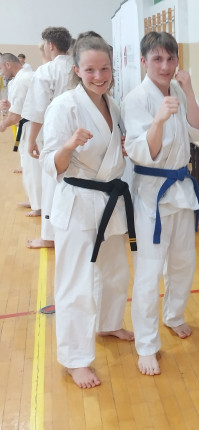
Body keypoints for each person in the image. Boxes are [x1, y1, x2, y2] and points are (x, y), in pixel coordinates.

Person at [40, 32, 135, 389]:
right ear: (77, 70)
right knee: (76, 283)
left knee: (114, 272)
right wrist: (68, 145)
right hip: (78, 201)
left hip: (109, 200)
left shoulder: (114, 104)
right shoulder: (64, 106)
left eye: (105, 69)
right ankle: (76, 359)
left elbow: (116, 150)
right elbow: (50, 163)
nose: (99, 76)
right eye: (91, 69)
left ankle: (108, 323)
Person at [122, 31, 199, 376]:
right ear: (144, 61)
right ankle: (146, 344)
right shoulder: (136, 99)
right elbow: (143, 151)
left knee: (184, 262)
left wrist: (190, 91)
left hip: (180, 187)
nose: (165, 66)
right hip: (150, 194)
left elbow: (198, 132)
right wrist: (158, 119)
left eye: (171, 59)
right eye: (157, 59)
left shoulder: (177, 92)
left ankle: (174, 314)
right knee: (149, 271)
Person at [21, 25, 73, 248]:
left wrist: (31, 140)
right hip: (82, 133)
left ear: (50, 45)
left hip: (56, 134)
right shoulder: (78, 66)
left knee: (52, 182)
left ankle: (49, 236)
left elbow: (38, 109)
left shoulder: (47, 70)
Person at [0, 53, 42, 216]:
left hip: (32, 127)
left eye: (1, 68)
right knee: (29, 168)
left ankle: (39, 205)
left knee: (33, 169)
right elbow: (23, 105)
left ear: (8, 64)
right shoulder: (26, 76)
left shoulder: (22, 79)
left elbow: (15, 116)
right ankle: (34, 200)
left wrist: (3, 124)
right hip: (31, 126)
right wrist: (10, 106)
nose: (1, 73)